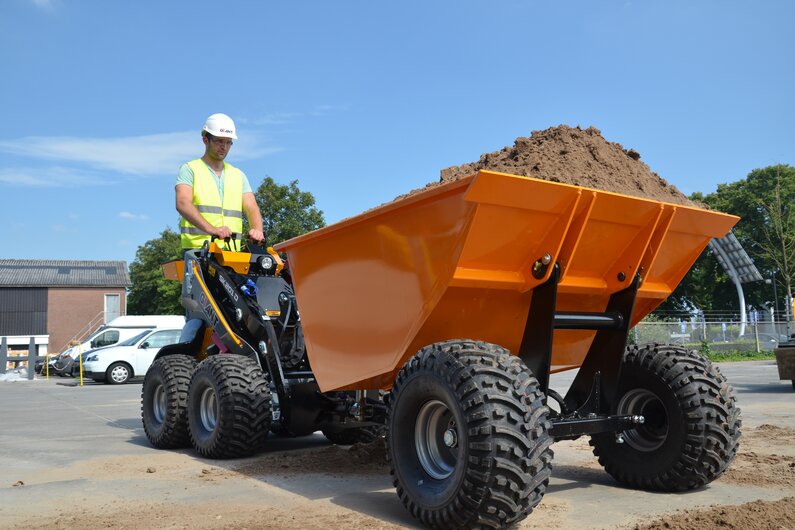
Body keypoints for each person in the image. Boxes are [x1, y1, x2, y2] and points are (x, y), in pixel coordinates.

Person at [176, 113, 265, 250]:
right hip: (199, 250)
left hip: (232, 252)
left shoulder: (238, 175)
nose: (224, 147)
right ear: (205, 140)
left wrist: (257, 230)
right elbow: (182, 203)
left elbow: (251, 207)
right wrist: (212, 229)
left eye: (228, 142)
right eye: (219, 141)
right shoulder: (190, 169)